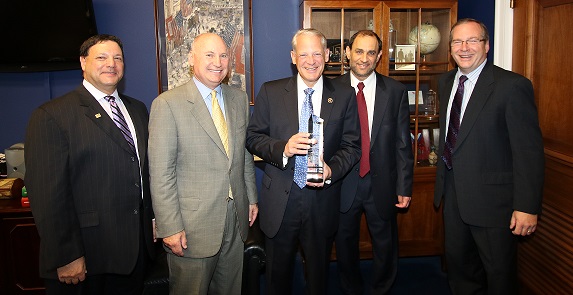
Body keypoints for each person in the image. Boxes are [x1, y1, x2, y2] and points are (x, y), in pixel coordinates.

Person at [25, 34, 155, 295]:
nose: (111, 64)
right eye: (102, 57)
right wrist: (66, 255)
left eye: (117, 58)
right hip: (87, 256)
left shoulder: (138, 109)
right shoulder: (52, 115)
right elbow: (47, 195)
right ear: (83, 62)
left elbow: (143, 171)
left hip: (134, 253)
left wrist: (152, 217)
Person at [434, 18, 544, 295]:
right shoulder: (446, 82)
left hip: (494, 204)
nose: (464, 47)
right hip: (453, 197)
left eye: (472, 40)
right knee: (460, 271)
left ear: (486, 46)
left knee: (499, 275)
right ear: (450, 49)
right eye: (457, 42)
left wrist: (527, 207)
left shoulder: (512, 86)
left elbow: (528, 152)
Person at [246, 28, 361, 295]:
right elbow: (253, 138)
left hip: (322, 202)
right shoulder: (271, 92)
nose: (311, 60)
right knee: (277, 278)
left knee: (318, 278)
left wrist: (331, 169)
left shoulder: (344, 95)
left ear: (327, 55)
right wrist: (283, 149)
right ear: (293, 57)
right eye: (304, 54)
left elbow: (352, 146)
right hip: (280, 203)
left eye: (317, 54)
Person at [148, 32, 258, 295]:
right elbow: (161, 173)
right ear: (191, 59)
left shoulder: (238, 99)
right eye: (209, 55)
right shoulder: (167, 104)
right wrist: (170, 227)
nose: (217, 62)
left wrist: (251, 197)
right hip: (192, 226)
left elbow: (242, 155)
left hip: (235, 217)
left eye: (223, 56)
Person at [334, 30, 413, 294]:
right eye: (358, 51)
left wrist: (404, 185)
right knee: (345, 244)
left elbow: (403, 143)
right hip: (343, 183)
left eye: (371, 52)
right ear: (347, 53)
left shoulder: (396, 91)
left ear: (379, 56)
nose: (364, 58)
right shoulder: (331, 89)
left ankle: (382, 289)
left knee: (385, 244)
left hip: (383, 183)